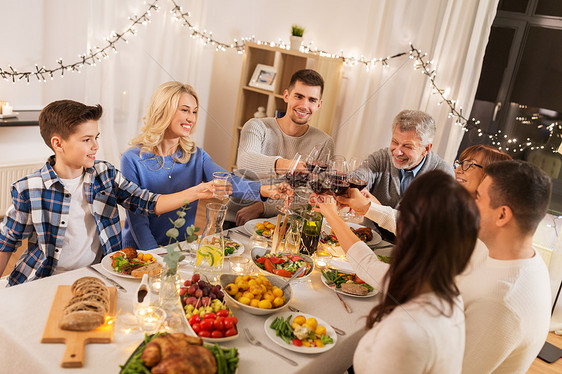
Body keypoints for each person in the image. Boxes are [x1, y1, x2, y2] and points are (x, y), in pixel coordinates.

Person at [319, 160, 552, 373]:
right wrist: (365, 208)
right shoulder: (512, 256)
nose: (470, 203)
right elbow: (425, 227)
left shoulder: (501, 302)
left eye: (478, 197)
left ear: (502, 215)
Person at [0, 100, 216, 286]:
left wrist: (196, 192)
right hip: (45, 280)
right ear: (58, 144)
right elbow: (6, 243)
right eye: (87, 140)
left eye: (96, 137)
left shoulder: (105, 174)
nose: (96, 146)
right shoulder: (29, 188)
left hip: (97, 276)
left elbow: (148, 203)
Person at [313, 170, 479, 373]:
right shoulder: (444, 290)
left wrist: (331, 214)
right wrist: (332, 215)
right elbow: (366, 264)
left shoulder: (405, 334)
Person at [121, 81, 287, 250]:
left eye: (194, 112)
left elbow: (228, 180)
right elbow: (137, 222)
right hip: (140, 252)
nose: (191, 118)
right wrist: (155, 257)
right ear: (164, 110)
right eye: (185, 110)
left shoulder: (195, 156)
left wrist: (265, 190)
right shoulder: (132, 159)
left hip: (180, 249)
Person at [228, 69, 335, 226]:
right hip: (237, 219)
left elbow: (312, 195)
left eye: (312, 100)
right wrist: (290, 165)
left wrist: (263, 206)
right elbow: (245, 161)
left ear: (319, 105)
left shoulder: (324, 142)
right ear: (286, 96)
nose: (304, 105)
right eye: (299, 96)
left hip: (284, 224)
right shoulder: (257, 126)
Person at [346, 144, 511, 233]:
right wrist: (372, 207)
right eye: (460, 163)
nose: (458, 169)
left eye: (468, 165)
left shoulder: (481, 220)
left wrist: (370, 208)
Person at [366, 109, 452, 209]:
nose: (397, 152)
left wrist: (376, 208)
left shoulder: (443, 176)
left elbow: (419, 223)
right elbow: (359, 177)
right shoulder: (382, 157)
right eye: (395, 142)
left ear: (426, 149)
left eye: (407, 146)